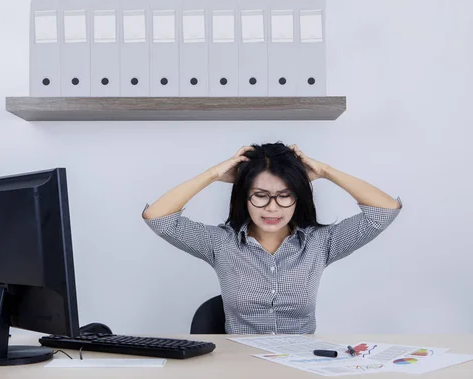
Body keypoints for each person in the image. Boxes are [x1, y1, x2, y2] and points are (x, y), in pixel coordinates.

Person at [142, 142, 402, 335]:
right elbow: (158, 217)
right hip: (239, 367)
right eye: (260, 195)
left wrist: (324, 171)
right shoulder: (220, 244)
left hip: (300, 367)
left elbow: (384, 211)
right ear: (244, 197)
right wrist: (213, 174)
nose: (272, 208)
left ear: (298, 198)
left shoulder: (319, 244)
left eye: (285, 195)